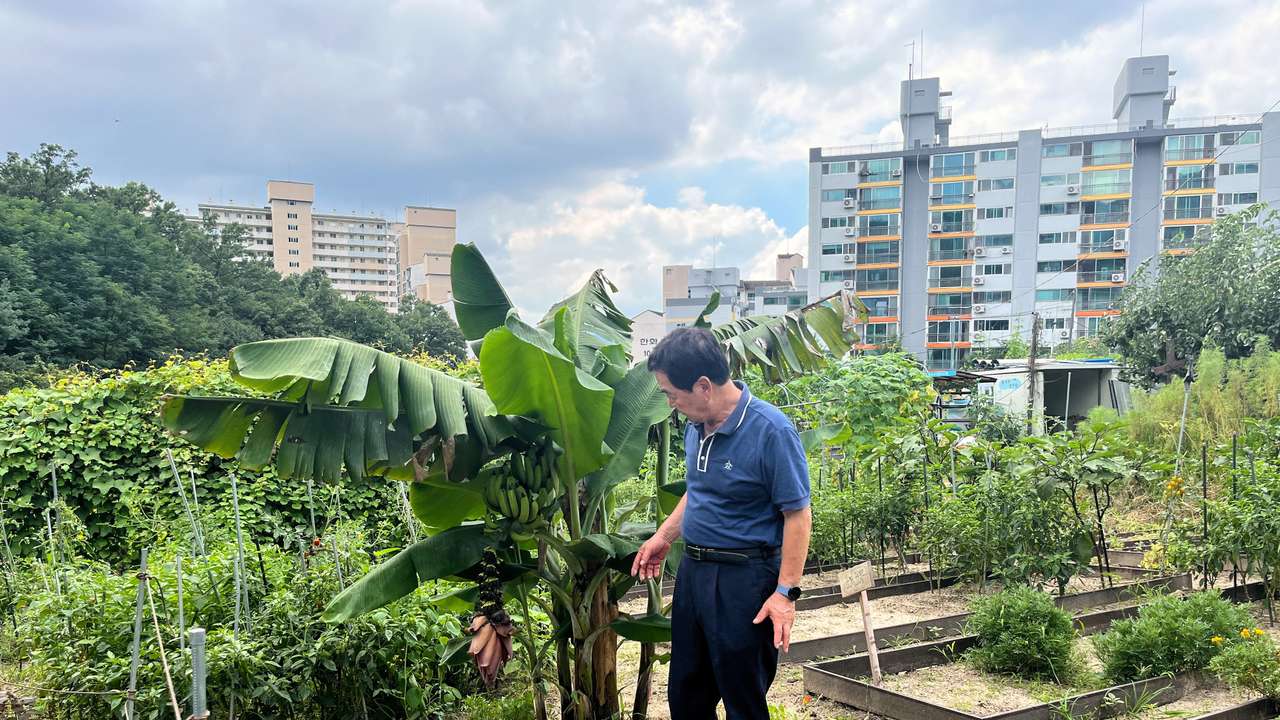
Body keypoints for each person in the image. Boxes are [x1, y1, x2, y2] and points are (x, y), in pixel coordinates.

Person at [632, 327, 812, 720]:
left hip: (743, 581)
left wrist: (785, 594)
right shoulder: (698, 427)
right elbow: (699, 488)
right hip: (694, 575)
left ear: (702, 386)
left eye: (671, 394)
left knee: (741, 700)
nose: (669, 403)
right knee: (687, 696)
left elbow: (797, 515)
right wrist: (664, 535)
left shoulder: (771, 430)